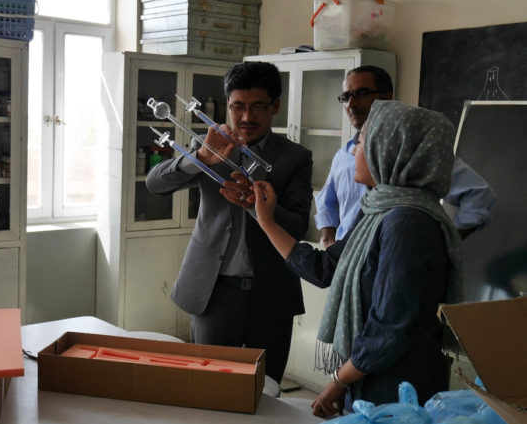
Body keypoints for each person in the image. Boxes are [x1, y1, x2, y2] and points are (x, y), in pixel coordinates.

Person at [251, 100, 462, 416]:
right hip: (371, 376)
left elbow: (389, 328)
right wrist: (266, 220)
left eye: (361, 142)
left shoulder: (408, 223)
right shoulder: (379, 211)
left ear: (389, 151)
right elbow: (324, 268)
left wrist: (338, 381)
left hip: (398, 388)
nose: (353, 152)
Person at [146, 61, 313, 384]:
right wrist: (199, 159)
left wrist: (258, 208)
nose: (246, 117)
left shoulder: (295, 157)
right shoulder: (207, 145)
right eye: (238, 107)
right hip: (214, 292)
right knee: (210, 387)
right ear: (227, 105)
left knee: (266, 389)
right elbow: (155, 184)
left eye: (258, 106)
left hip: (272, 292)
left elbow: (297, 227)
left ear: (276, 106)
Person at [315, 65, 496, 248]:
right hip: (346, 259)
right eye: (346, 97)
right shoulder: (344, 155)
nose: (351, 104)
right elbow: (326, 203)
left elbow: (479, 194)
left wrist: (446, 243)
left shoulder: (412, 153)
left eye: (362, 93)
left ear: (386, 98)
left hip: (393, 255)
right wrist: (329, 241)